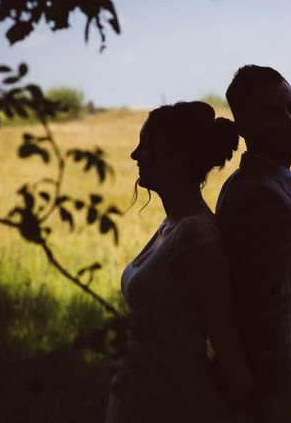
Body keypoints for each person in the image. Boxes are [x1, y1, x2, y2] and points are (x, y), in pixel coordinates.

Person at [105, 101, 251, 423]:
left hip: (173, 400)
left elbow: (226, 342)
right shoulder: (173, 225)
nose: (135, 155)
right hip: (141, 394)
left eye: (148, 147)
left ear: (182, 162)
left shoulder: (196, 237)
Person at [216, 65, 291, 422]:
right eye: (273, 113)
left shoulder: (266, 183)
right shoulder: (260, 196)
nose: (290, 120)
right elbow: (269, 318)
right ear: (244, 127)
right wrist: (285, 406)